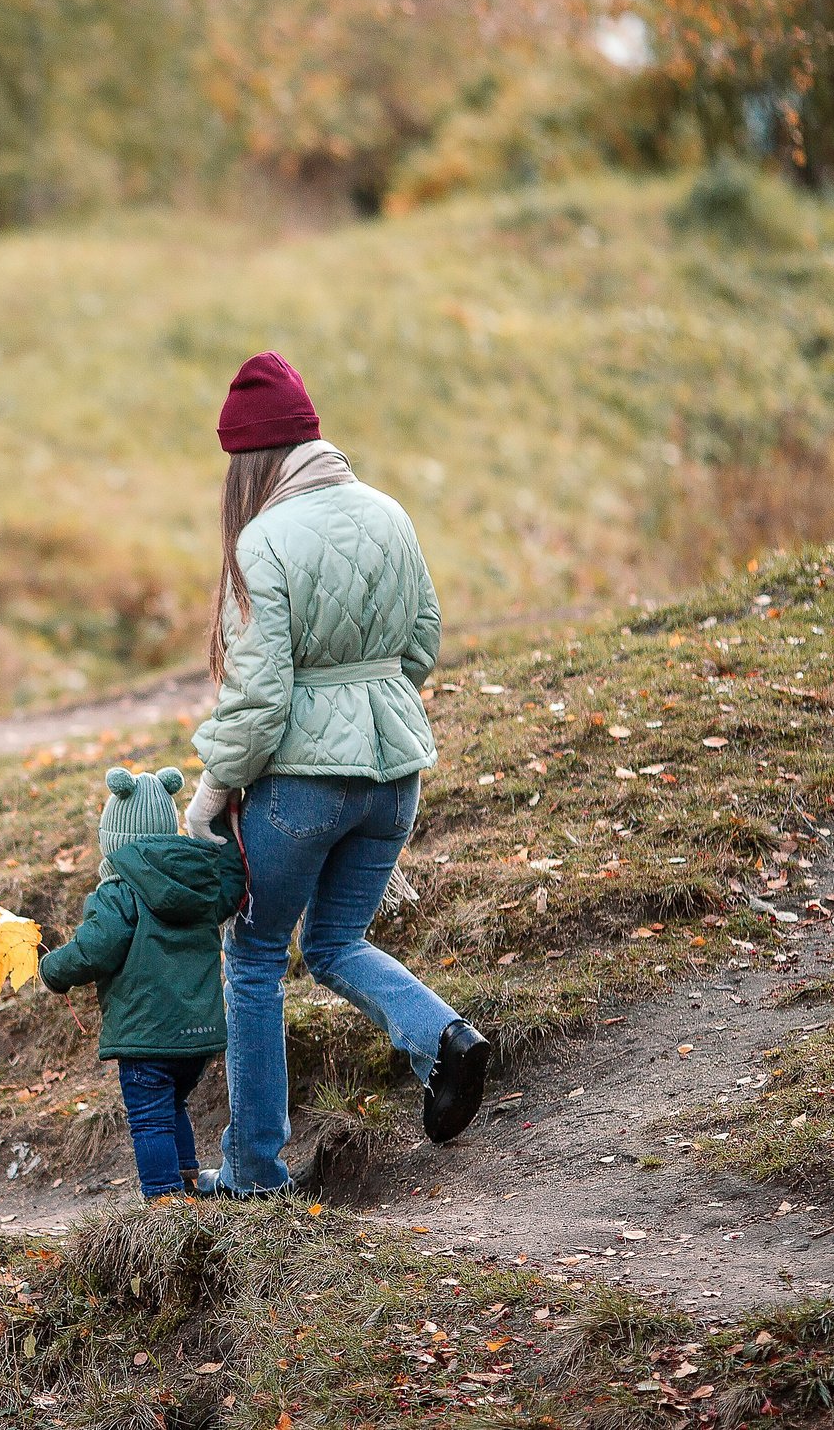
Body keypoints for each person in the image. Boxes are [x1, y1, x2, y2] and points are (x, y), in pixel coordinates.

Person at [185, 351, 488, 1197]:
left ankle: (252, 1171)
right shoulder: (389, 512)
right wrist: (369, 706)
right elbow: (422, 641)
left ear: (249, 462)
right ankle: (449, 1041)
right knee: (335, 942)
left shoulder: (264, 538)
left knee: (251, 956)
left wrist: (210, 797)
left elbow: (257, 701)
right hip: (395, 775)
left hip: (302, 788)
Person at [38, 765, 243, 1199]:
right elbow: (232, 887)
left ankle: (163, 1202)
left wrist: (53, 970)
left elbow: (96, 948)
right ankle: (187, 1181)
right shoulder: (199, 880)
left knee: (149, 1117)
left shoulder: (119, 891)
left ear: (113, 841)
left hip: (146, 1032)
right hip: (199, 1036)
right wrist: (223, 825)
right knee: (173, 1104)